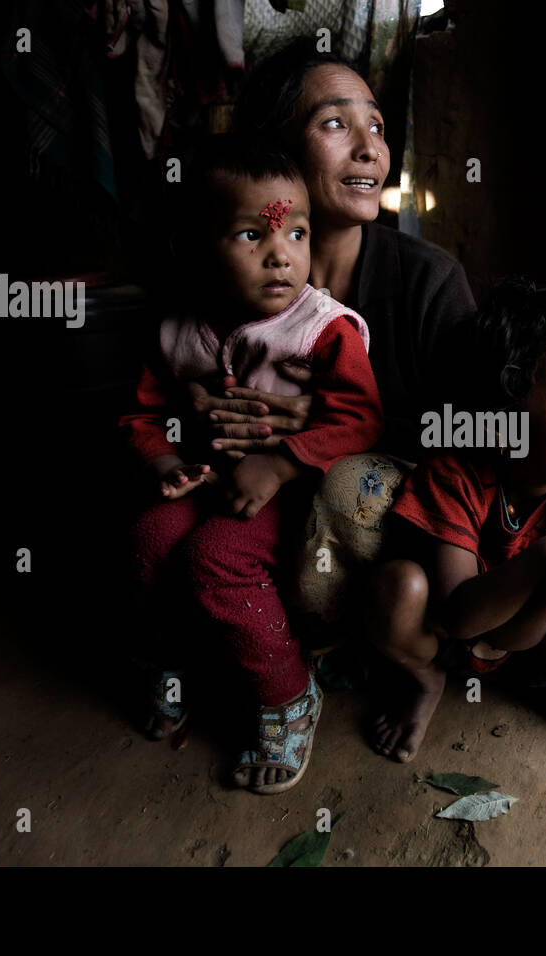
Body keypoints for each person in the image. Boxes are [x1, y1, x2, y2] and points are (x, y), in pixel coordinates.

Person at [119, 137, 384, 794]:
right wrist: (163, 461)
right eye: (250, 234)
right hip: (207, 480)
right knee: (151, 537)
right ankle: (178, 665)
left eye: (297, 232)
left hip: (292, 497)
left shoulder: (321, 328)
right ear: (195, 246)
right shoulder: (179, 328)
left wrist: (282, 464)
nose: (281, 253)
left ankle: (287, 693)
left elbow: (362, 419)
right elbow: (141, 414)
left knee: (216, 556)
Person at [189, 38, 481, 627]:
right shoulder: (224, 283)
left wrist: (337, 428)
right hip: (257, 500)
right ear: (278, 150)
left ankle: (360, 632)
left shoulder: (430, 281)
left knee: (351, 484)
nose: (370, 148)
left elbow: (475, 435)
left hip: (396, 530)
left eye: (376, 125)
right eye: (335, 124)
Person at [369, 279, 546, 776]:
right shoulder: (453, 475)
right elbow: (457, 617)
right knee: (396, 588)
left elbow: (507, 637)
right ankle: (424, 680)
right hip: (442, 638)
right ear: (505, 421)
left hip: (528, 650)